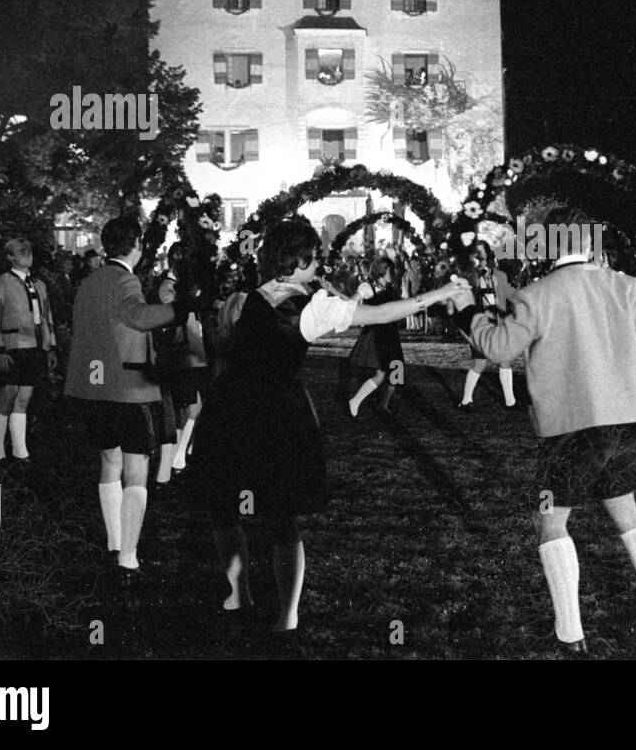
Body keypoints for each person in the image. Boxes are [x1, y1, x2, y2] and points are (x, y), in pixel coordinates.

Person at [191, 221, 467, 633]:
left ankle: (241, 596)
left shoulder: (242, 299)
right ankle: (282, 612)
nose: (318, 262)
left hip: (231, 407)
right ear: (298, 260)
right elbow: (382, 313)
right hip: (274, 414)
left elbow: (225, 348)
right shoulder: (310, 305)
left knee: (226, 506)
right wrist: (442, 293)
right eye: (314, 256)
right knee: (278, 514)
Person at [455, 207, 636, 654]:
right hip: (625, 423)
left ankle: (570, 633)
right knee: (625, 508)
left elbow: (497, 347)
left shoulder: (536, 295)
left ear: (550, 246)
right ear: (591, 243)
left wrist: (467, 311)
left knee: (550, 520)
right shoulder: (625, 286)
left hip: (570, 429)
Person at [65, 216, 198, 583]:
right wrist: (178, 309)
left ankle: (114, 541)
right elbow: (137, 317)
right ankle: (128, 557)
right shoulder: (126, 279)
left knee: (109, 462)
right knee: (136, 469)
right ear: (136, 245)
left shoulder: (89, 281)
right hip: (128, 387)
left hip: (93, 388)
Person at [0, 238, 58, 472]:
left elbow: (48, 317)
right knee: (7, 395)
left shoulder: (40, 284)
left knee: (24, 397)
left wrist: (51, 346)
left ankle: (20, 451)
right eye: (21, 252)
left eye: (29, 251)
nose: (28, 254)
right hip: (11, 346)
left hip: (35, 346)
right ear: (10, 257)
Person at [153, 243, 209, 483]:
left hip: (191, 354)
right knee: (186, 408)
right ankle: (175, 459)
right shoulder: (168, 287)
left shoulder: (184, 286)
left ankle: (177, 457)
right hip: (181, 357)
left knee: (189, 408)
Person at [450, 240, 517, 411]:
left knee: (505, 360)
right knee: (479, 363)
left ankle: (510, 401)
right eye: (476, 252)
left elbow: (510, 293)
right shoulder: (470, 277)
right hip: (480, 324)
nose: (479, 255)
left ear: (488, 253)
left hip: (499, 323)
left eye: (482, 251)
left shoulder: (499, 275)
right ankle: (466, 400)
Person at [346, 257, 406, 416]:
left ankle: (383, 405)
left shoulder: (390, 287)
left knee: (396, 370)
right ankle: (356, 401)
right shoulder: (368, 287)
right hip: (378, 335)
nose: (391, 274)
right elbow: (355, 299)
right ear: (381, 271)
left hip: (391, 333)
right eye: (389, 271)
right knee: (381, 373)